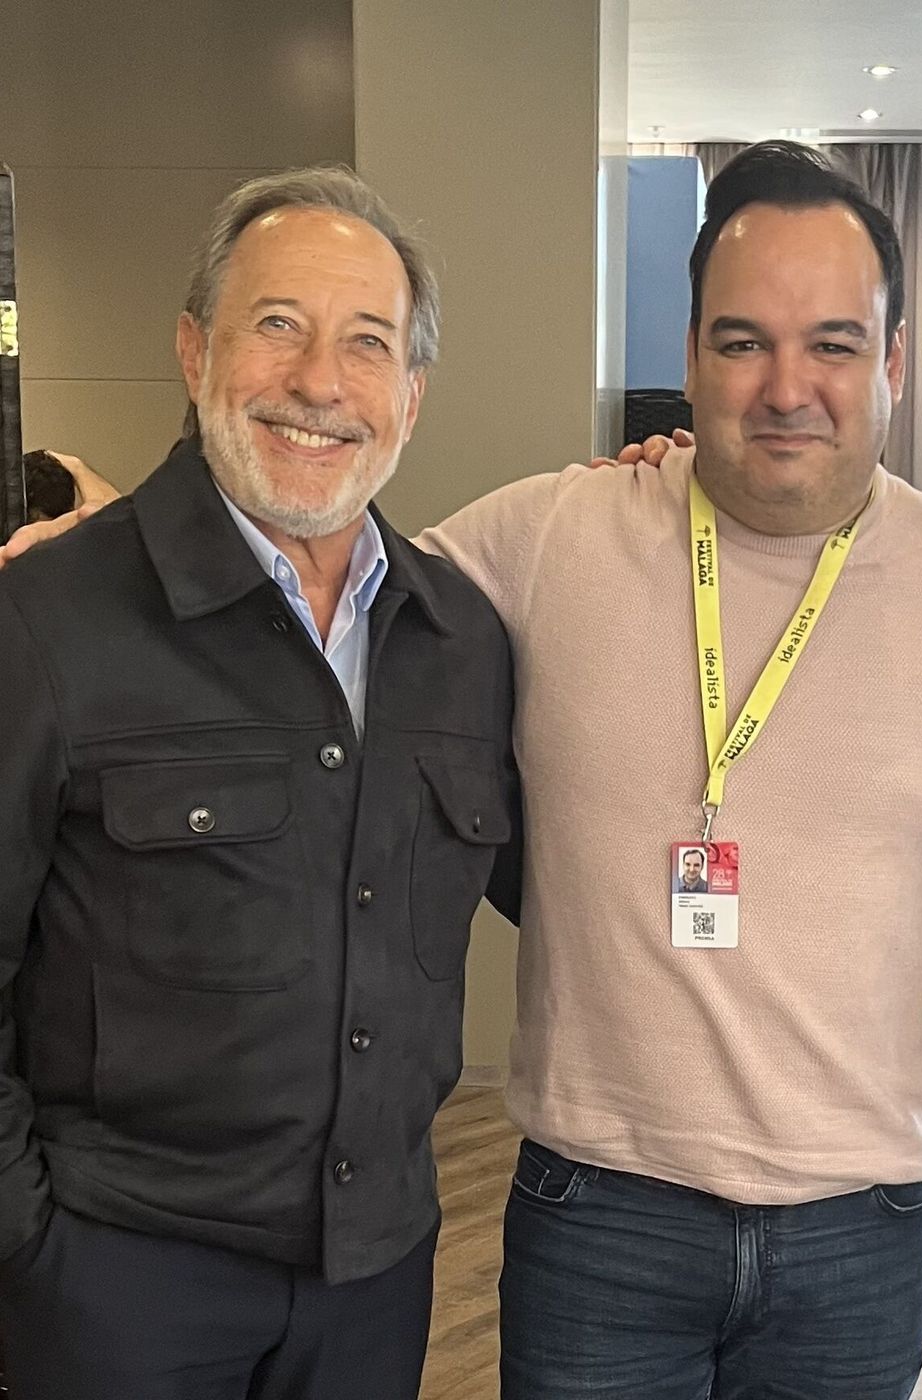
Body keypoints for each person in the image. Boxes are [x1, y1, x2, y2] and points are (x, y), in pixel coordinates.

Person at [10, 143, 922, 1398]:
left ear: (896, 361)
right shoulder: (546, 536)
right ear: (689, 354)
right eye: (742, 340)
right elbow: (298, 574)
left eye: (833, 343)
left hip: (861, 1221)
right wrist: (90, 551)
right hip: (598, 1215)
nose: (785, 386)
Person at [0, 168, 518, 1400]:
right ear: (194, 351)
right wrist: (29, 1251)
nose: (321, 382)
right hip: (116, 1293)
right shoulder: (47, 622)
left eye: (367, 344)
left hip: (376, 1286)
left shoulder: (464, 643)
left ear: (412, 394)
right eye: (277, 324)